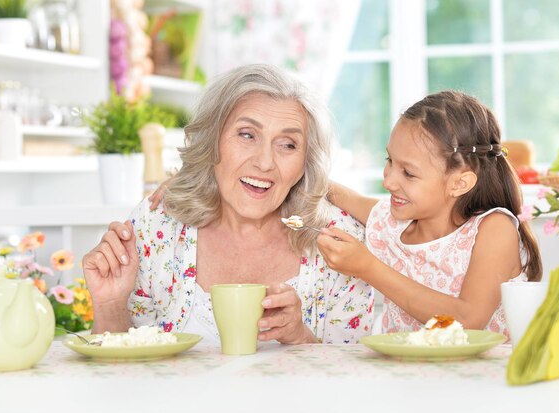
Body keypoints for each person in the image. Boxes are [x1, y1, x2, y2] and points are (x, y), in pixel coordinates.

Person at [82, 64, 373, 345]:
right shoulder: (157, 225)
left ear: (305, 161)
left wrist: (301, 338)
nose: (264, 162)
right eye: (247, 135)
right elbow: (123, 378)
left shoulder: (340, 243)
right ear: (213, 139)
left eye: (288, 145)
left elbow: (353, 382)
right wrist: (109, 304)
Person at [317, 90, 542, 336]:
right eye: (389, 160)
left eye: (408, 173)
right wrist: (302, 176)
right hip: (406, 371)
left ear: (459, 183)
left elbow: (468, 319)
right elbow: (345, 197)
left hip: (480, 373)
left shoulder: (494, 229)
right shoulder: (391, 222)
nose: (389, 181)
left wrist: (367, 268)